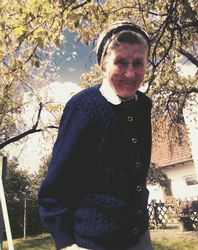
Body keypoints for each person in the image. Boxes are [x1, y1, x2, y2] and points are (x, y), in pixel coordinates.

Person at [38, 21, 152, 250]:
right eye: (120, 62)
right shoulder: (84, 108)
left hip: (138, 236)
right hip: (96, 242)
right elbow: (54, 188)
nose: (130, 73)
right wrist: (66, 242)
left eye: (138, 63)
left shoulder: (143, 107)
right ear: (103, 65)